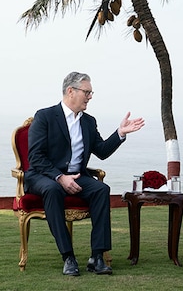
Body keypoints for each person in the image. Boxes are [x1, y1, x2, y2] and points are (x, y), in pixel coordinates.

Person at [25, 71, 145, 276]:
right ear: (70, 91)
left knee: (101, 189)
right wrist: (60, 177)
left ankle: (96, 257)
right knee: (53, 190)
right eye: (87, 92)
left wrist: (121, 133)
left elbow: (102, 151)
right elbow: (36, 157)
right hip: (44, 176)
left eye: (91, 93)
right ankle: (68, 257)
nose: (90, 97)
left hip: (78, 175)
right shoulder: (45, 116)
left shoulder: (88, 121)